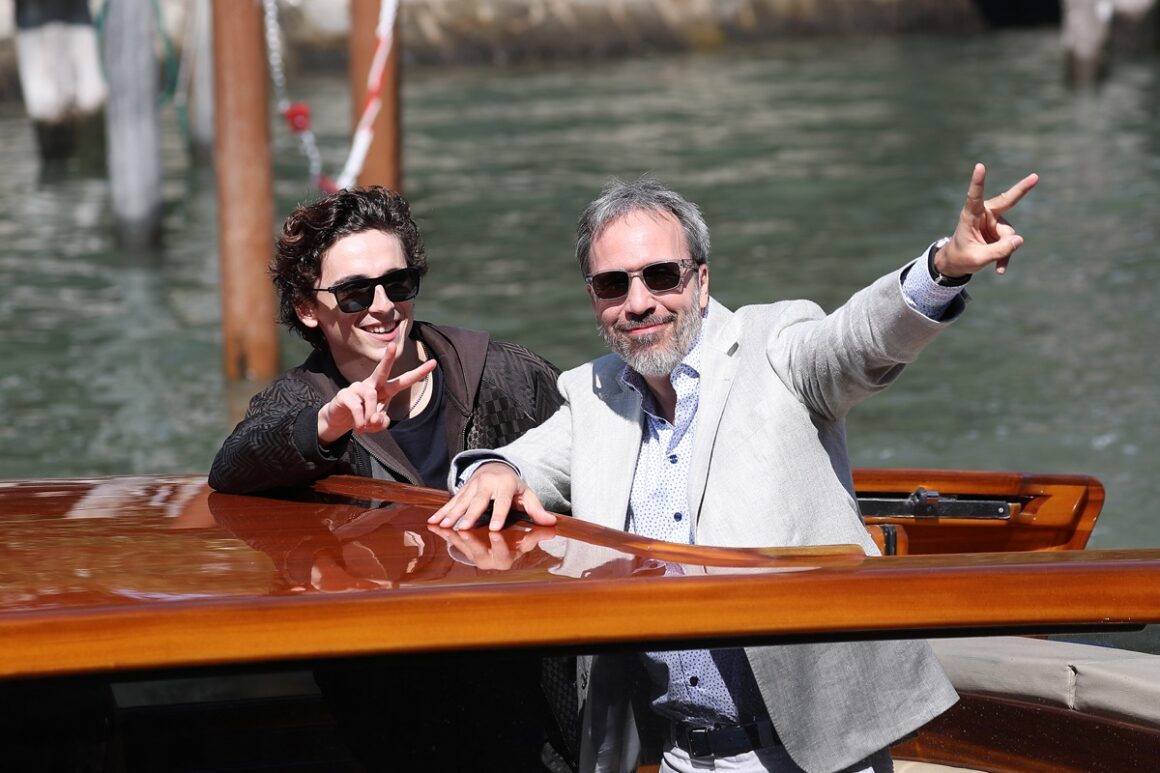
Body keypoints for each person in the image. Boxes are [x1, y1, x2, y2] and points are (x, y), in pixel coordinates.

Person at [430, 164, 1039, 773]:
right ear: (595, 298)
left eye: (661, 277)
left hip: (814, 749)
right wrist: (495, 468)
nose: (638, 303)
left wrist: (943, 269)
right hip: (676, 753)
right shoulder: (594, 394)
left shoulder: (776, 344)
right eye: (614, 285)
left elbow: (859, 340)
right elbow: (526, 460)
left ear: (699, 280)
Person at [208, 186, 568, 771]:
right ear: (307, 308)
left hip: (525, 689)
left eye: (396, 285)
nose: (382, 306)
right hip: (388, 702)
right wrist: (328, 425)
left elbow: (587, 444)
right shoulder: (300, 399)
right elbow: (233, 466)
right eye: (353, 293)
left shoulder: (501, 372)